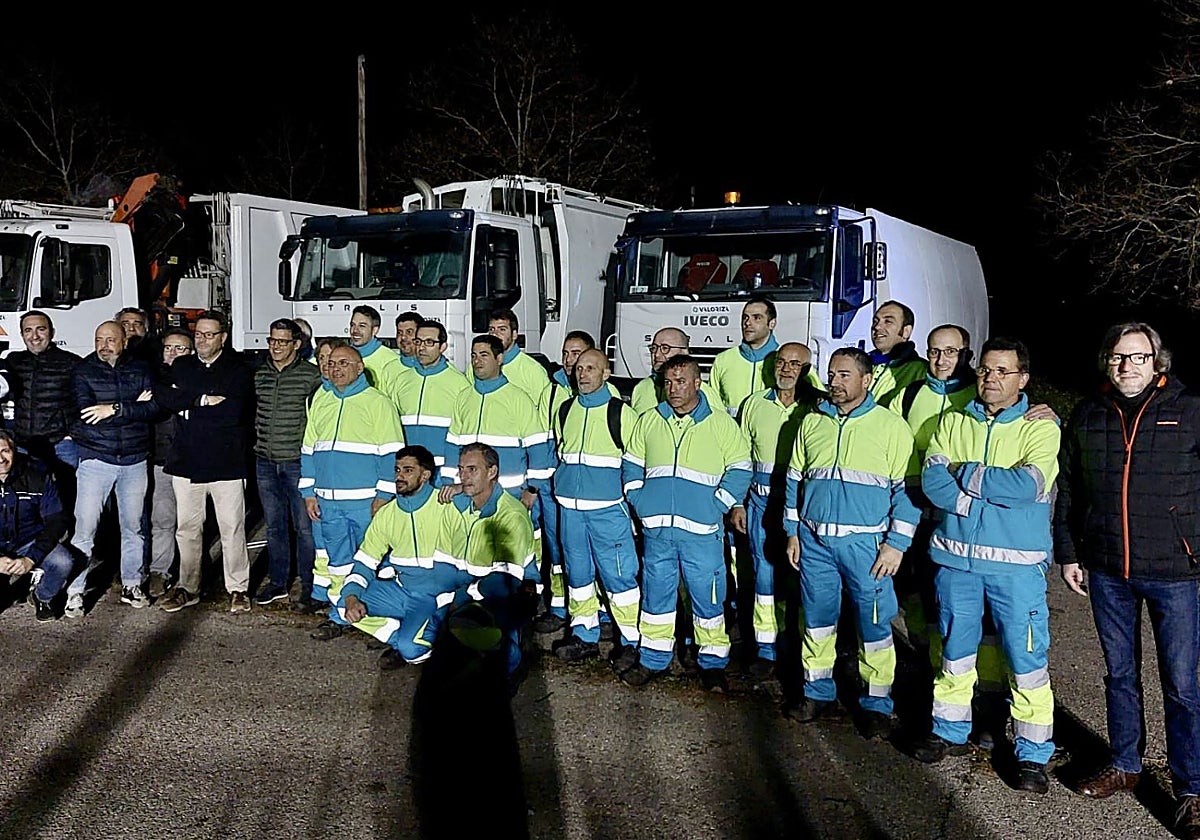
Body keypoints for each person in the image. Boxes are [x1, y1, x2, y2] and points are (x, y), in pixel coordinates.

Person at [1055, 323, 1200, 836]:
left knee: (1182, 686)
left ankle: (1192, 789)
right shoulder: (1090, 414)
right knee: (1119, 675)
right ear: (1106, 361)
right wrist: (1069, 552)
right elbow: (1068, 487)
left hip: (1174, 572)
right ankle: (1125, 764)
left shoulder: (1189, 411)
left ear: (1157, 362)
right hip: (1108, 569)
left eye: (1137, 358)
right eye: (1118, 357)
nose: (1126, 366)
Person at [913, 337, 1060, 796]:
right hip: (956, 561)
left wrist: (968, 473)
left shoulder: (1041, 428)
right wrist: (972, 495)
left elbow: (1026, 485)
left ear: (1023, 379)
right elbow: (933, 481)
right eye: (986, 371)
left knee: (1027, 660)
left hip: (1016, 568)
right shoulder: (952, 421)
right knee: (954, 652)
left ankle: (1033, 755)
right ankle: (949, 730)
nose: (991, 379)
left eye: (1002, 371)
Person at [784, 347, 918, 738]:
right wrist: (793, 533)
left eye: (844, 375)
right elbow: (795, 480)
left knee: (874, 624)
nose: (835, 382)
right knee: (818, 622)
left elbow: (906, 493)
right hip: (815, 542)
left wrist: (896, 545)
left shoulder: (891, 427)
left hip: (868, 546)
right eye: (831, 374)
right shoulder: (812, 423)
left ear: (866, 380)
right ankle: (817, 691)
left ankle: (877, 702)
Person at [620, 355, 751, 693]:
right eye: (668, 382)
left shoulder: (721, 424)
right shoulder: (649, 420)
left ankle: (712, 664)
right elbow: (632, 466)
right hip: (658, 532)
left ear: (697, 383)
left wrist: (716, 506)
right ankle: (653, 658)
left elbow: (739, 469)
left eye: (680, 382)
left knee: (708, 601)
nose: (673, 389)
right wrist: (640, 502)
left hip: (702, 533)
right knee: (656, 598)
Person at [153, 311, 256, 614]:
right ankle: (188, 587)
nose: (202, 340)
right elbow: (162, 395)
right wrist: (200, 401)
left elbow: (233, 413)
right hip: (187, 462)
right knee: (187, 529)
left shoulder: (238, 370)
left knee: (232, 528)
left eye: (209, 334)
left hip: (226, 463)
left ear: (223, 337)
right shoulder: (182, 365)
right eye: (198, 334)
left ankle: (238, 588)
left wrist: (187, 406)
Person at [300, 344, 404, 639]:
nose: (335, 368)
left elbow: (391, 454)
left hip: (365, 502)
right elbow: (309, 449)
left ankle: (381, 617)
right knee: (338, 562)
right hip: (327, 502)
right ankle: (340, 615)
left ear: (359, 368)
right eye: (331, 363)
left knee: (376, 562)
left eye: (344, 363)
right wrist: (308, 492)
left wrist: (384, 496)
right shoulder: (322, 399)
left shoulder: (378, 402)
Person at [730, 342, 821, 676]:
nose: (786, 369)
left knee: (806, 579)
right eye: (781, 362)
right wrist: (738, 502)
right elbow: (740, 458)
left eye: (795, 364)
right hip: (761, 504)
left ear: (807, 370)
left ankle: (802, 648)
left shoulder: (818, 406)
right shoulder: (753, 404)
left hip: (804, 507)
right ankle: (766, 650)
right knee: (764, 575)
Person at [548, 349, 641, 669]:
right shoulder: (564, 409)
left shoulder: (622, 413)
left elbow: (637, 460)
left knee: (620, 578)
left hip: (608, 512)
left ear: (606, 373)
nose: (583, 373)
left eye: (591, 368)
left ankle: (631, 641)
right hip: (570, 511)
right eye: (579, 368)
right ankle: (584, 635)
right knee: (578, 576)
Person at [338, 446, 466, 669]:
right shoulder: (387, 514)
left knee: (411, 652)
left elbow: (485, 497)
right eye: (397, 470)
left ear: (425, 475)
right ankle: (408, 635)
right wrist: (351, 597)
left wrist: (462, 489)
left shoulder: (448, 503)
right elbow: (366, 562)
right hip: (402, 591)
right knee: (341, 605)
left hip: (438, 596)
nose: (399, 476)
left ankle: (420, 639)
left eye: (408, 470)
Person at [64, 321, 158, 616]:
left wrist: (113, 409)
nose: (104, 345)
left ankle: (132, 584)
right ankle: (75, 591)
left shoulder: (141, 368)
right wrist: (132, 406)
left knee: (134, 528)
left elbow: (154, 409)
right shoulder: (83, 371)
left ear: (124, 341)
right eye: (98, 339)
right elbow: (85, 414)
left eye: (110, 339)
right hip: (96, 459)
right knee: (84, 530)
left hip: (134, 459)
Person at [534, 330, 617, 634]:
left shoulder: (612, 401)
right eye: (567, 355)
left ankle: (604, 613)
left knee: (600, 557)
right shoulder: (553, 392)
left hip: (597, 497)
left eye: (579, 355)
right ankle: (559, 605)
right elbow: (546, 439)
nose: (572, 362)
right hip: (561, 488)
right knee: (559, 551)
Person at [447, 443, 539, 682]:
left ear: (492, 472)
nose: (464, 477)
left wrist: (460, 595)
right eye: (461, 470)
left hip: (510, 591)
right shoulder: (466, 503)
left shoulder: (511, 515)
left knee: (478, 627)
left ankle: (511, 659)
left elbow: (502, 583)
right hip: (474, 586)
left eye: (472, 470)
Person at [253, 318, 322, 606]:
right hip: (264, 460)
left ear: (296, 344)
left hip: (296, 462)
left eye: (282, 341)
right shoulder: (259, 373)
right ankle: (278, 582)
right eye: (272, 340)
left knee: (304, 528)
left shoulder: (311, 376)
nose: (276, 347)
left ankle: (309, 585)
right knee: (274, 526)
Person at [5, 311, 82, 506]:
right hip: (23, 443)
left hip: (60, 445)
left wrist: (71, 434)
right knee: (29, 499)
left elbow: (85, 401)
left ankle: (67, 536)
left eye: (41, 329)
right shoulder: (14, 362)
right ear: (22, 335)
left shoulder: (71, 362)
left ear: (52, 332)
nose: (35, 336)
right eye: (28, 331)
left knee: (66, 498)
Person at [0, 431, 73, 622]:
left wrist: (31, 558)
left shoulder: (37, 474)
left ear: (14, 451)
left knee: (63, 562)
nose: (1, 459)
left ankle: (42, 597)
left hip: (28, 540)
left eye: (5, 451)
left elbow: (56, 520)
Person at [146, 328, 193, 599]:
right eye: (169, 348)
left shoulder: (200, 379)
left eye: (180, 348)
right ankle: (159, 571)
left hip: (192, 460)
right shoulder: (151, 380)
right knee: (162, 520)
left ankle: (190, 577)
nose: (173, 353)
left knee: (190, 525)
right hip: (162, 459)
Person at [393, 320, 469, 482]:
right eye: (418, 341)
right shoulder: (401, 380)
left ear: (442, 347)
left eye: (429, 342)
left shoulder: (459, 383)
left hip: (443, 471)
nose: (421, 348)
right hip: (409, 471)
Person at [709, 295, 780, 419]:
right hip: (731, 435)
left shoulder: (786, 362)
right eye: (745, 318)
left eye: (757, 318)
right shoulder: (723, 360)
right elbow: (711, 404)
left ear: (772, 323)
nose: (747, 323)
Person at [631, 327, 724, 416]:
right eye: (654, 348)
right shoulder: (641, 387)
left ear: (684, 352)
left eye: (665, 348)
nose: (657, 355)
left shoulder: (705, 393)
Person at [468, 309, 549, 403]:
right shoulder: (476, 366)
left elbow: (545, 410)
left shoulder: (532, 370)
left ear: (514, 335)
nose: (495, 334)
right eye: (491, 329)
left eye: (502, 329)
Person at [868, 300, 927, 406]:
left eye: (888, 322)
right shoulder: (862, 364)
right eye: (875, 321)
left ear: (906, 331)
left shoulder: (920, 370)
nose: (877, 327)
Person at [348, 305, 404, 407]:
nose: (355, 330)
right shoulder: (340, 356)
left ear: (375, 330)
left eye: (362, 326)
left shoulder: (391, 360)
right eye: (353, 325)